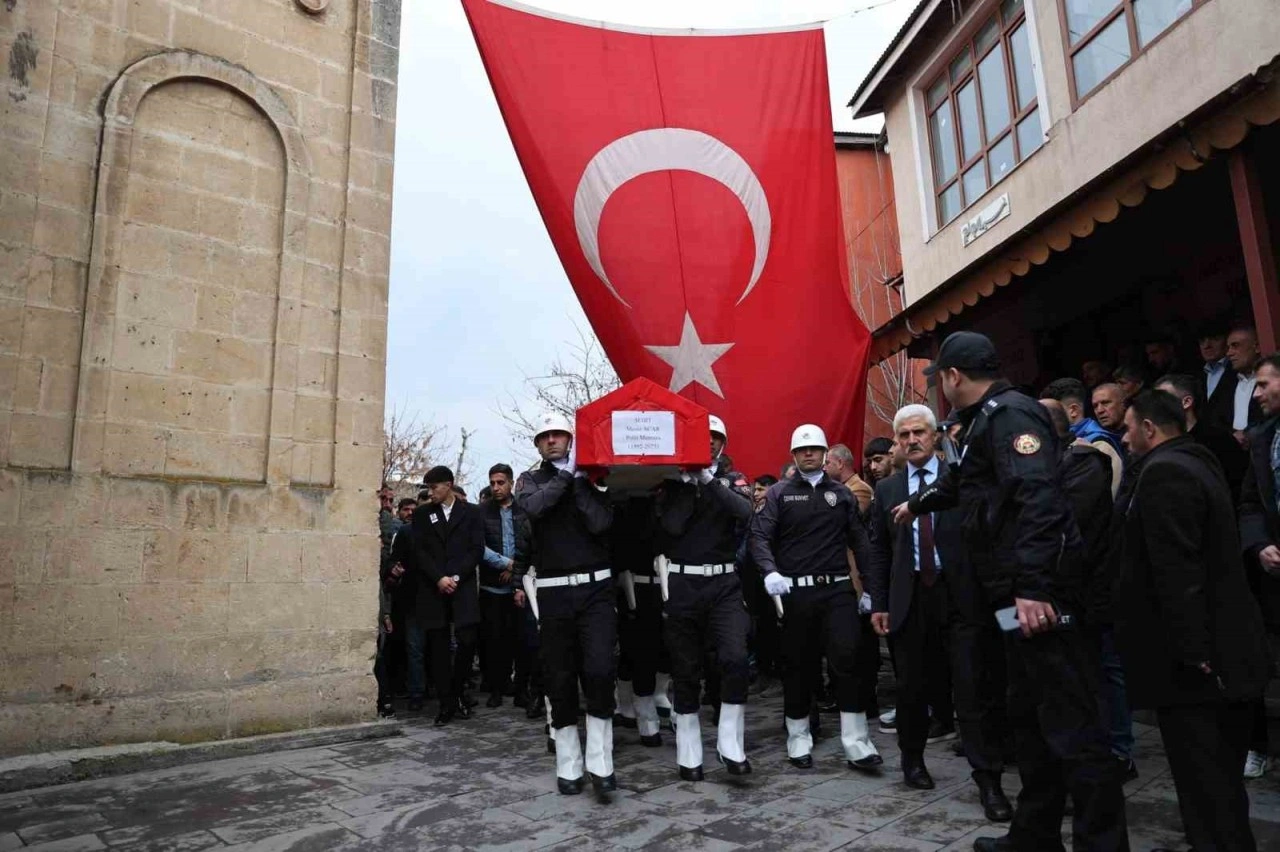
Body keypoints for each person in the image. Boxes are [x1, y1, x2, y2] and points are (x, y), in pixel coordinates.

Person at [893, 331, 1128, 852]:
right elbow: (963, 482)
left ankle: (1103, 843)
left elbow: (1039, 501)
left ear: (953, 376)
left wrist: (1033, 588)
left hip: (1039, 599)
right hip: (1008, 600)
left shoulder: (1013, 417)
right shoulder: (983, 421)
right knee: (1028, 718)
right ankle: (1034, 836)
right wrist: (917, 503)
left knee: (1073, 727)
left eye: (939, 379)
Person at [1116, 389, 1269, 852]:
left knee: (1206, 783)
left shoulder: (1165, 472)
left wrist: (1192, 649)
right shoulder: (1197, 459)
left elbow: (1178, 569)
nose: (1123, 438)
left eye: (1127, 428)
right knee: (1218, 783)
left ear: (1148, 428)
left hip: (1197, 668)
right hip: (1220, 654)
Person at [866, 404, 1013, 819]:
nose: (912, 440)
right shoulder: (888, 490)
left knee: (972, 689)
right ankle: (912, 761)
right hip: (910, 598)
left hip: (960, 597)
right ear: (896, 443)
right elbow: (878, 550)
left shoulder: (961, 480)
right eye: (904, 435)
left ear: (935, 437)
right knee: (911, 688)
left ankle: (989, 780)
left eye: (919, 433)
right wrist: (879, 602)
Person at [749, 423, 881, 773]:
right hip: (796, 592)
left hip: (837, 590)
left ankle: (857, 742)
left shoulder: (842, 494)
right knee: (798, 666)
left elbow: (860, 542)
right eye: (802, 449)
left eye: (815, 449)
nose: (808, 453)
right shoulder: (778, 494)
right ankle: (798, 736)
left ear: (825, 454)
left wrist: (870, 589)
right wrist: (769, 571)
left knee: (848, 661)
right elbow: (759, 537)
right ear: (793, 454)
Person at [514, 412, 617, 795]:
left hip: (596, 588)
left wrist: (580, 481)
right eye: (545, 436)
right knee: (559, 676)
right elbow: (534, 509)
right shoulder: (530, 481)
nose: (552, 440)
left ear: (570, 440)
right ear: (538, 444)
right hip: (554, 590)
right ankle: (569, 762)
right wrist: (566, 477)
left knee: (600, 669)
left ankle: (601, 760)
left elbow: (601, 524)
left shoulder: (591, 478)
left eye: (559, 435)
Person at [656, 415, 754, 780]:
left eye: (715, 437)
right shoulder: (672, 484)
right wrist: (688, 483)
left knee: (735, 657)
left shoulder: (731, 479)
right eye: (702, 436)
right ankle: (689, 748)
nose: (709, 442)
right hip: (684, 583)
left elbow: (744, 512)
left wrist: (708, 481)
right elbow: (670, 527)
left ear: (722, 444)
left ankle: (730, 741)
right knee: (685, 668)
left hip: (724, 583)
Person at [1042, 398, 1134, 780]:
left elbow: (1061, 528)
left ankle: (1117, 752)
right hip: (1048, 598)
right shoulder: (1047, 464)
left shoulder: (1085, 463)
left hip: (1086, 595)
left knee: (1100, 674)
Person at [407, 466, 485, 727]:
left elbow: (476, 549)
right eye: (428, 488)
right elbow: (420, 551)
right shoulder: (422, 515)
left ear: (448, 485)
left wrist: (456, 577)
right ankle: (446, 702)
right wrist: (439, 578)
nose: (431, 493)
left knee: (467, 640)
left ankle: (458, 690)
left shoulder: (471, 512)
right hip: (434, 587)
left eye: (435, 487)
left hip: (462, 587)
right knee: (438, 647)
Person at [1237, 353, 1280, 780]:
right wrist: (1261, 544)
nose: (1257, 394)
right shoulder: (1264, 439)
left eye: (1264, 384)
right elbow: (1250, 503)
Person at [611, 491, 666, 749]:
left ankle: (640, 706)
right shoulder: (625, 509)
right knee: (637, 650)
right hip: (633, 585)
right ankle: (641, 712)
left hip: (662, 584)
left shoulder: (669, 502)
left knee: (656, 650)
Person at [478, 464, 531, 709]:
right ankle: (496, 689)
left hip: (520, 586)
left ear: (510, 483)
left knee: (522, 641)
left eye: (500, 482)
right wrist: (505, 563)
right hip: (493, 588)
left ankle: (521, 690)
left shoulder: (524, 509)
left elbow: (529, 543)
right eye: (492, 483)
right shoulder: (482, 512)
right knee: (495, 642)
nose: (496, 487)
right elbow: (478, 546)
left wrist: (515, 569)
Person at [1154, 373, 1248, 498]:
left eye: (1163, 398)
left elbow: (1236, 488)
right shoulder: (1157, 441)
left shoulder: (1219, 441)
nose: (1155, 406)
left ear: (1186, 402)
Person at [1040, 378, 1123, 496]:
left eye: (1053, 411)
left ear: (1073, 410)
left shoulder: (1099, 444)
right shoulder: (1063, 442)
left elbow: (1111, 494)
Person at [1227, 324, 1263, 445]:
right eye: (1228, 347)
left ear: (1256, 347)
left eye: (1235, 346)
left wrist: (1248, 434)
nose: (1229, 353)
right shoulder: (1228, 384)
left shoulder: (1270, 381)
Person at [1198, 322, 1236, 433]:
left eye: (1214, 339)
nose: (1207, 345)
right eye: (1202, 341)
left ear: (1227, 341)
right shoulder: (1197, 376)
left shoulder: (1238, 370)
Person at [825, 444, 874, 515]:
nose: (824, 468)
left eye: (827, 463)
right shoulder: (838, 487)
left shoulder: (860, 489)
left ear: (840, 463)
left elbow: (850, 518)